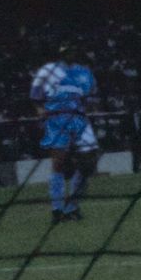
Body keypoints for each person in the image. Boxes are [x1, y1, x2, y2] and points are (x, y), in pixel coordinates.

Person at [31, 53, 101, 221]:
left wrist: (92, 108)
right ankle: (57, 209)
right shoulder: (47, 70)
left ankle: (72, 205)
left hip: (79, 118)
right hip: (57, 118)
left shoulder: (84, 71)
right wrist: (39, 109)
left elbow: (90, 96)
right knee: (58, 163)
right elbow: (35, 95)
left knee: (89, 162)